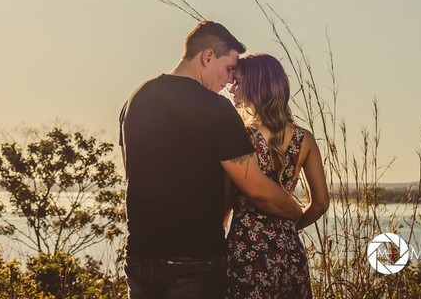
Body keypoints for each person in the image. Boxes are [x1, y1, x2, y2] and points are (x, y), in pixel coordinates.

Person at [120, 21, 304, 299]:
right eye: (229, 69)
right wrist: (296, 212)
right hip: (194, 260)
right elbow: (255, 188)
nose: (231, 80)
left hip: (140, 256)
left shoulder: (136, 99)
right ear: (207, 57)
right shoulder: (215, 108)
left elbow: (131, 171)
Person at [226, 52, 330, 299]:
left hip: (245, 252)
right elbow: (322, 203)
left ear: (256, 87)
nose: (231, 90)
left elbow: (225, 201)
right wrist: (290, 226)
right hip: (289, 253)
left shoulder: (239, 137)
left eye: (238, 82)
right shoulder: (304, 139)